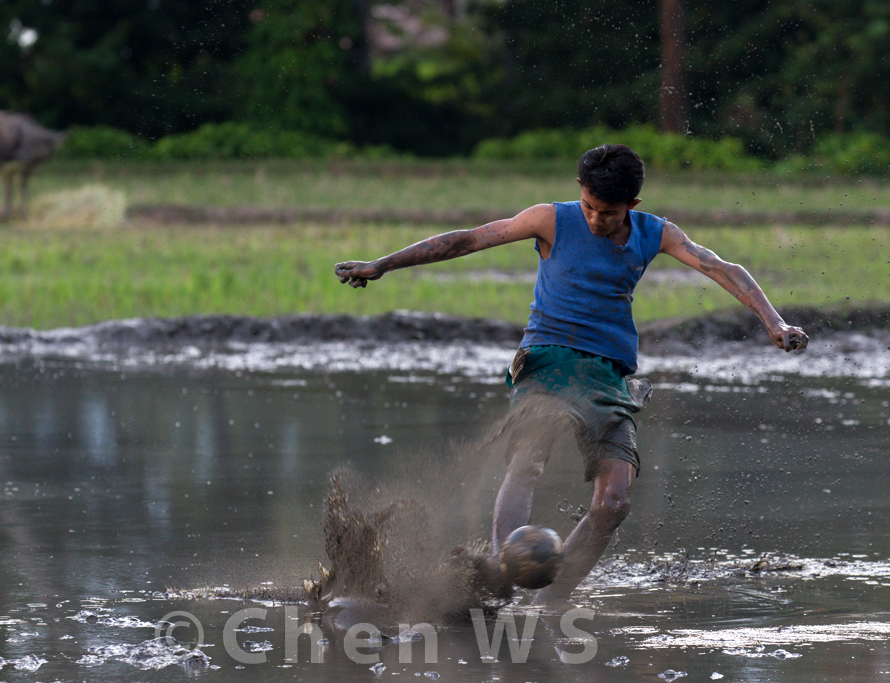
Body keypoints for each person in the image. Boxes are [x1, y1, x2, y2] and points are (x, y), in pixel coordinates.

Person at [334, 144, 808, 602]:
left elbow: (725, 269)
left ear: (632, 205)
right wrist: (384, 264)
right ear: (579, 189)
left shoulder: (654, 233)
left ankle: (550, 604)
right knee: (528, 461)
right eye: (589, 206)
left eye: (608, 212)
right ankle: (504, 571)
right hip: (548, 360)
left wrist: (775, 322)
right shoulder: (551, 219)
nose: (596, 219)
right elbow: (469, 239)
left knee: (615, 502)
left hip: (608, 375)